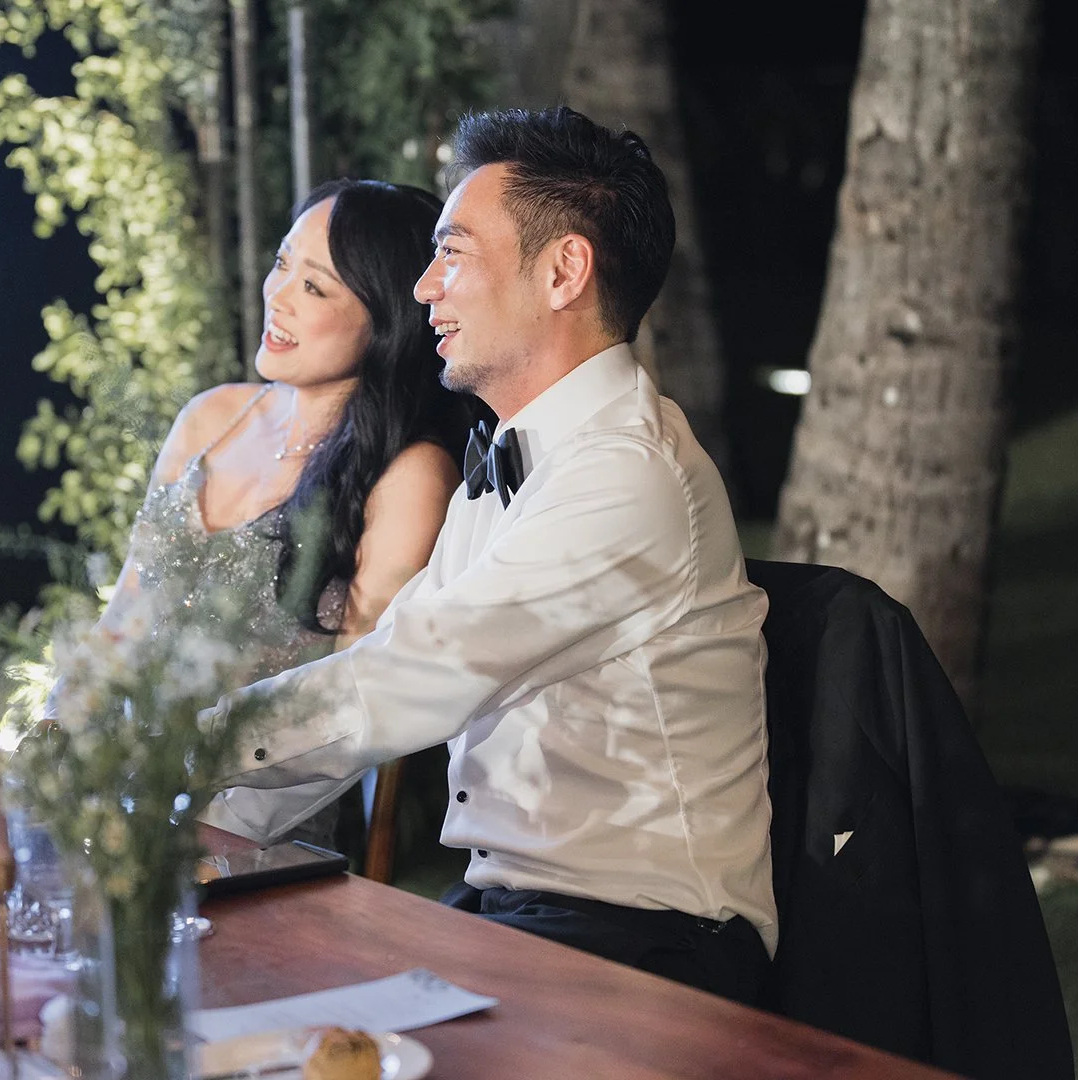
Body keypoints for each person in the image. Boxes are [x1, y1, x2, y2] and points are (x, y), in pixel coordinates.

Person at [201, 106, 775, 1006]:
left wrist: (169, 749)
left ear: (563, 272)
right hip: (511, 918)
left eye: (454, 253)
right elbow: (374, 689)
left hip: (653, 950)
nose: (425, 288)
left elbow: (405, 682)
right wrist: (189, 826)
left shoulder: (624, 474)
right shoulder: (511, 458)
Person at [99, 178, 475, 849]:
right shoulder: (211, 418)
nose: (278, 296)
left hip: (253, 839)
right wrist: (54, 750)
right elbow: (121, 623)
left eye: (316, 287)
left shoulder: (409, 474)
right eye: (282, 265)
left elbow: (359, 701)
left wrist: (181, 822)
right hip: (117, 804)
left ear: (385, 318)